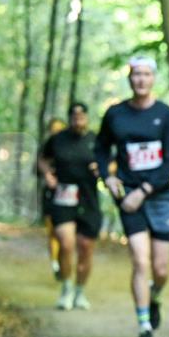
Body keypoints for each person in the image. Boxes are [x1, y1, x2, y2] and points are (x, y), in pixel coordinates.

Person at [94, 57, 169, 337]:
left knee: (161, 268)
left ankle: (155, 296)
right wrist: (107, 175)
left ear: (153, 78)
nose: (141, 80)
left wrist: (144, 189)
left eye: (146, 75)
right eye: (136, 75)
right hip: (129, 197)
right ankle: (144, 327)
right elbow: (101, 148)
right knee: (140, 261)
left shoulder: (167, 115)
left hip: (161, 196)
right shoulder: (115, 114)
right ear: (129, 78)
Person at [38, 102, 102, 311]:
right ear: (69, 118)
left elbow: (112, 163)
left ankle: (80, 291)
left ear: (87, 117)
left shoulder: (95, 140)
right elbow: (42, 160)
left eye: (82, 114)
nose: (78, 118)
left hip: (88, 199)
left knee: (85, 247)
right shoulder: (57, 140)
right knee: (66, 243)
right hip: (63, 197)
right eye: (74, 115)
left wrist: (101, 170)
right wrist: (47, 174)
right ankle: (65, 288)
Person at [42, 117, 67, 279]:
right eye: (53, 129)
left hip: (70, 195)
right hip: (51, 195)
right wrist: (47, 174)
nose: (56, 132)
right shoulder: (45, 149)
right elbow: (39, 166)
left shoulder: (72, 146)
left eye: (60, 129)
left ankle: (64, 262)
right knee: (53, 232)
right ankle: (55, 264)